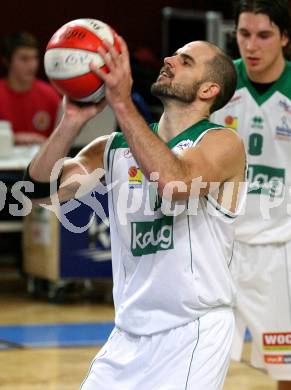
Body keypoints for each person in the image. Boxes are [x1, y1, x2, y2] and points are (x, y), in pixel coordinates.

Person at [25, 37, 246, 389]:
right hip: (128, 333)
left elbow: (175, 182)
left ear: (209, 90)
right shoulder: (112, 148)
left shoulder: (222, 143)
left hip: (194, 331)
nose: (169, 59)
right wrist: (71, 121)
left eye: (185, 61)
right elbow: (39, 192)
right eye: (173, 54)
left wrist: (122, 104)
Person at [211, 1, 291, 389]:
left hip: (280, 251)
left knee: (286, 369)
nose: (251, 46)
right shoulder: (216, 85)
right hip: (218, 249)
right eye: (243, 34)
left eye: (263, 35)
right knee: (201, 362)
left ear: (285, 38)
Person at [0, 31, 61, 145]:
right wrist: (13, 138)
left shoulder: (49, 94)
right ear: (6, 61)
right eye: (24, 59)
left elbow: (62, 137)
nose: (32, 65)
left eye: (35, 58)